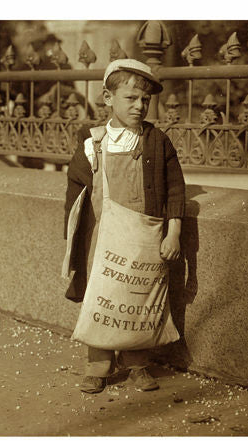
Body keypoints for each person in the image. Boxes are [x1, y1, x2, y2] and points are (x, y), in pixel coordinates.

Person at [64, 59, 185, 394]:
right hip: (103, 238)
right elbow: (76, 194)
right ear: (107, 97)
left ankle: (138, 364)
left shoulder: (156, 142)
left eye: (144, 100)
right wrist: (73, 241)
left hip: (145, 236)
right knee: (102, 300)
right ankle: (98, 366)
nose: (139, 105)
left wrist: (173, 231)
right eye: (130, 98)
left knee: (139, 296)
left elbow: (176, 188)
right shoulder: (92, 143)